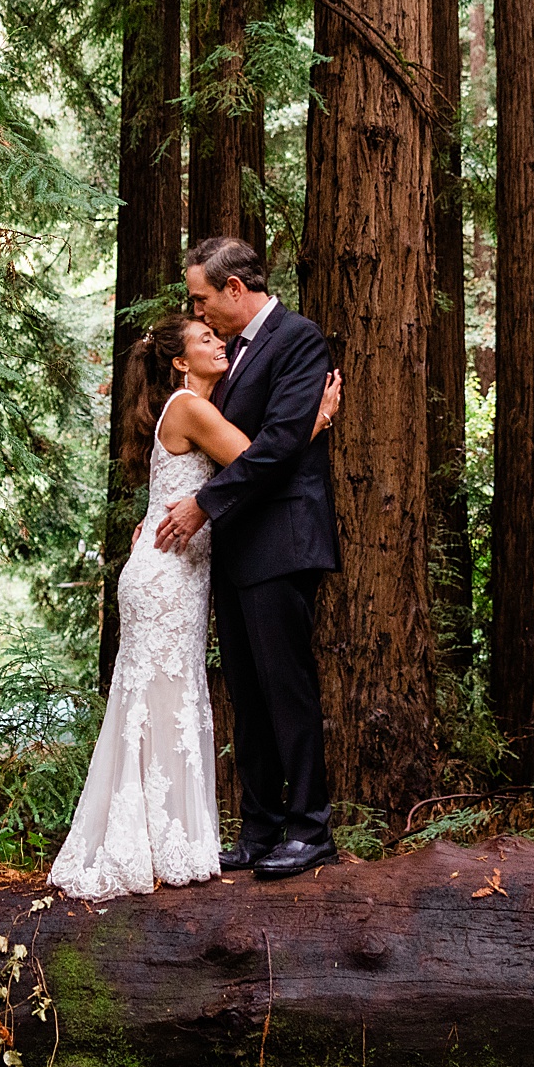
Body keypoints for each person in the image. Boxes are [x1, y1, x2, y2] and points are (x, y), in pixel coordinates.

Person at [47, 311, 339, 902]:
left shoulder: (195, 403)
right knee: (163, 699)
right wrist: (318, 420)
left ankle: (161, 835)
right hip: (167, 575)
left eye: (216, 332)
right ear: (180, 360)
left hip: (173, 568)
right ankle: (151, 838)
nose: (218, 340)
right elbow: (256, 457)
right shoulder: (191, 407)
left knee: (162, 701)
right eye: (204, 338)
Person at [153, 236, 340, 880]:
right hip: (236, 547)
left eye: (202, 299)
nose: (198, 313)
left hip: (283, 541)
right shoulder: (231, 357)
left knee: (287, 687)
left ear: (235, 289)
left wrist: (203, 504)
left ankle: (311, 829)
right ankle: (260, 830)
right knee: (249, 693)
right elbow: (241, 442)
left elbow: (280, 440)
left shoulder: (297, 338)